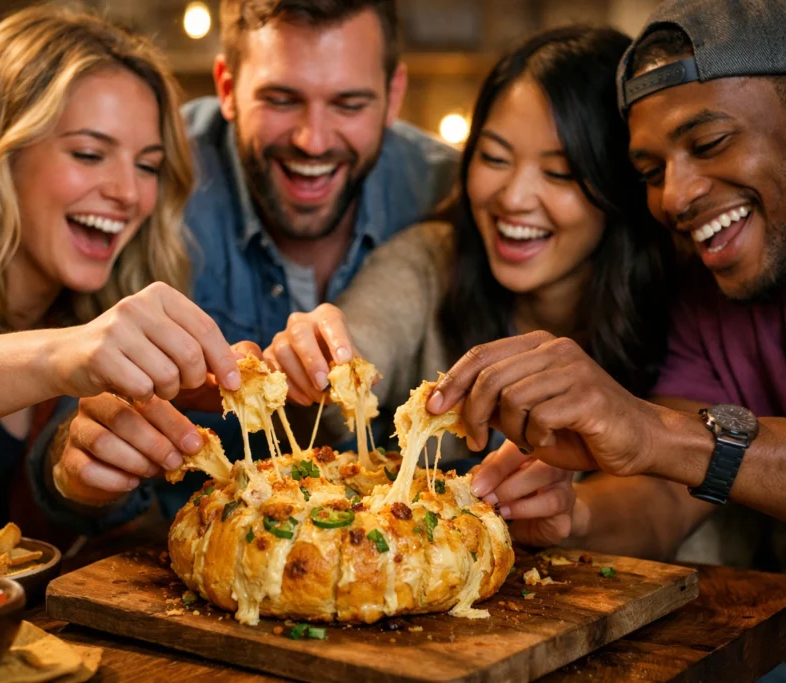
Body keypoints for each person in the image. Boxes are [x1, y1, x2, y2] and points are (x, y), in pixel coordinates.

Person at [440, 0, 786, 679]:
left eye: (709, 143)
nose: (674, 197)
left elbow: (677, 444)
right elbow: (666, 494)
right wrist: (572, 515)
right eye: (651, 172)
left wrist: (659, 432)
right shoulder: (715, 289)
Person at [35, 0, 458, 521]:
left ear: (394, 96)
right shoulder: (146, 175)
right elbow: (62, 427)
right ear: (227, 87)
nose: (313, 140)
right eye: (281, 99)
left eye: (349, 104)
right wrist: (77, 462)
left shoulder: (452, 191)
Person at [0, 5, 244, 532]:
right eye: (89, 154)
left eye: (148, 166)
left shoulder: (76, 307)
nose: (128, 193)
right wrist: (57, 357)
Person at [264, 26, 673, 473]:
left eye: (559, 173)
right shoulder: (427, 259)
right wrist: (321, 363)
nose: (513, 198)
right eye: (495, 158)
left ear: (621, 185)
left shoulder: (679, 308)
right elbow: (364, 338)